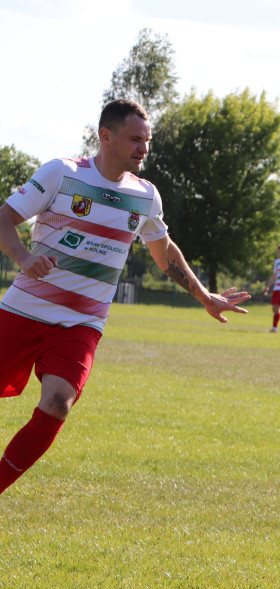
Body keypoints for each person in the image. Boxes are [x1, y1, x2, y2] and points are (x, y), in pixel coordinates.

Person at [0, 99, 250, 495]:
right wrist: (25, 257)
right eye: (135, 139)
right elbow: (4, 218)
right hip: (24, 309)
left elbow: (164, 251)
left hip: (82, 324)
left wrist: (204, 296)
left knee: (58, 403)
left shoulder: (146, 195)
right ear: (106, 136)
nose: (143, 149)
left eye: (147, 141)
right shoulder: (61, 173)